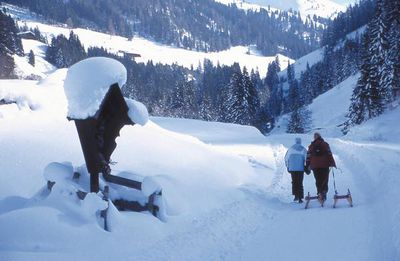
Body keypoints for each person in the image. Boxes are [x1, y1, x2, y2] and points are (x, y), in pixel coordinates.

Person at [306, 132, 336, 201]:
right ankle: (324, 192)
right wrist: (332, 163)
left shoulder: (311, 146)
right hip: (325, 164)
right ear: (320, 137)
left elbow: (308, 156)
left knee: (318, 179)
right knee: (325, 179)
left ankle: (319, 192)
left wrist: (307, 165)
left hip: (315, 165)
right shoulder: (325, 144)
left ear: (314, 138)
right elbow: (329, 153)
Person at [285, 137, 308, 203]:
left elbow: (286, 158)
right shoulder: (303, 149)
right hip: (300, 168)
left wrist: (288, 167)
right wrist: (307, 167)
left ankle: (296, 196)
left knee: (294, 182)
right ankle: (300, 198)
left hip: (292, 168)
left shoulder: (290, 149)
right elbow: (307, 159)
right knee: (300, 182)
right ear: (300, 141)